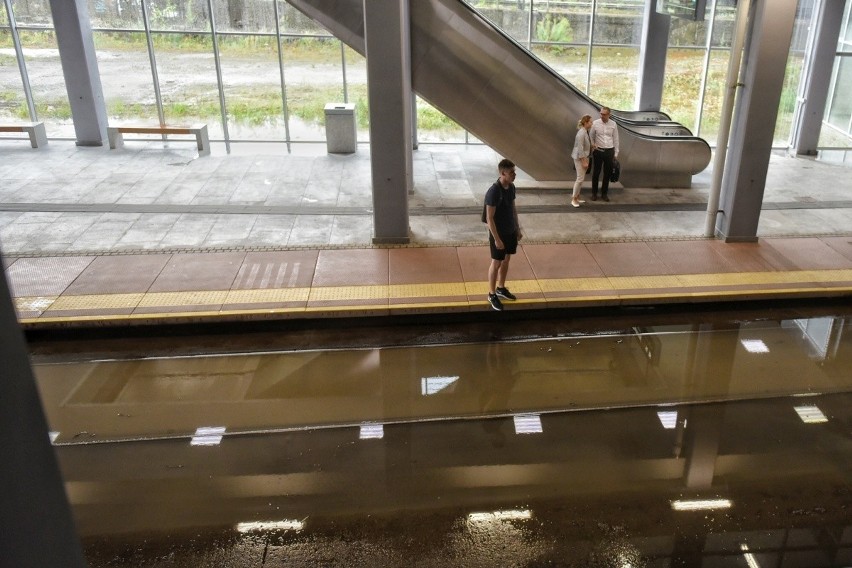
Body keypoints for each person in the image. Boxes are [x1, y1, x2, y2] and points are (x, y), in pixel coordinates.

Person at [484, 158, 522, 311]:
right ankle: (491, 293)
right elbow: (489, 218)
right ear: (502, 173)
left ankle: (501, 288)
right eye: (512, 172)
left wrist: (517, 229)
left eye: (514, 172)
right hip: (498, 233)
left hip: (510, 230)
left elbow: (513, 209)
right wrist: (497, 239)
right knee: (496, 262)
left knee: (506, 260)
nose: (514, 175)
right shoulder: (493, 192)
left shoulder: (511, 187)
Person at [589, 106, 619, 202]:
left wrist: (616, 152)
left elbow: (616, 139)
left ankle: (604, 194)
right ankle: (594, 193)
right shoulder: (595, 123)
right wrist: (593, 146)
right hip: (598, 151)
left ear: (609, 115)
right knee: (596, 173)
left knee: (607, 174)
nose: (602, 115)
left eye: (604, 114)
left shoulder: (613, 124)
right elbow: (591, 136)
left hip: (609, 151)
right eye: (601, 113)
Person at [570, 114, 593, 207]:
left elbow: (584, 145)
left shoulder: (585, 131)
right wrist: (584, 161)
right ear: (586, 123)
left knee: (581, 179)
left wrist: (592, 146)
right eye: (591, 122)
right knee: (579, 179)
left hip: (584, 156)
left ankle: (577, 196)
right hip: (580, 158)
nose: (592, 123)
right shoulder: (581, 133)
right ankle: (573, 199)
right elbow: (580, 148)